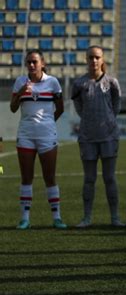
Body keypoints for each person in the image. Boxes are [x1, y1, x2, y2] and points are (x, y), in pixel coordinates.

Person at [9, 49, 66, 230]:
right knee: (27, 177)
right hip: (25, 135)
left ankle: (57, 218)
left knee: (49, 177)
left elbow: (60, 108)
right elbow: (12, 108)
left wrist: (47, 124)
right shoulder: (20, 82)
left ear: (43, 63)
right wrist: (19, 93)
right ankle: (24, 219)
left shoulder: (53, 82)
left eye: (35, 62)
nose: (32, 65)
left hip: (46, 135)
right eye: (29, 62)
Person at [71, 45, 124, 228]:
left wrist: (108, 120)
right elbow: (78, 106)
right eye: (90, 57)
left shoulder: (112, 82)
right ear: (86, 59)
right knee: (89, 178)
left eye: (97, 57)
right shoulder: (79, 84)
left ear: (102, 60)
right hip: (87, 137)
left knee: (110, 178)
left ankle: (115, 218)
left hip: (109, 136)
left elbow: (116, 106)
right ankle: (86, 218)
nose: (94, 60)